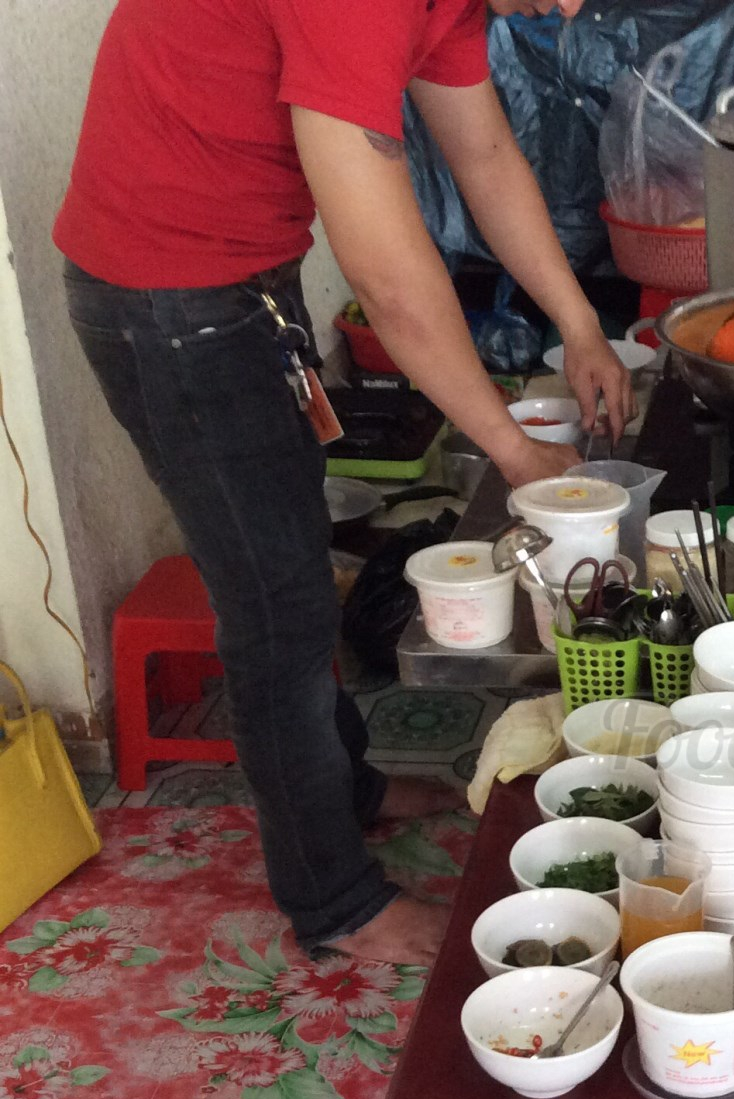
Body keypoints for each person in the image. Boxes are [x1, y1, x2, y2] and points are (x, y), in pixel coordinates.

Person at [54, 0, 633, 966]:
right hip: (170, 301)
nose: (571, 9)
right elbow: (388, 279)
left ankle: (347, 790)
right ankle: (334, 902)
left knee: (291, 574)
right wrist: (513, 450)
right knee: (275, 610)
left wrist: (580, 327)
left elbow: (486, 155)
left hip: (243, 283)